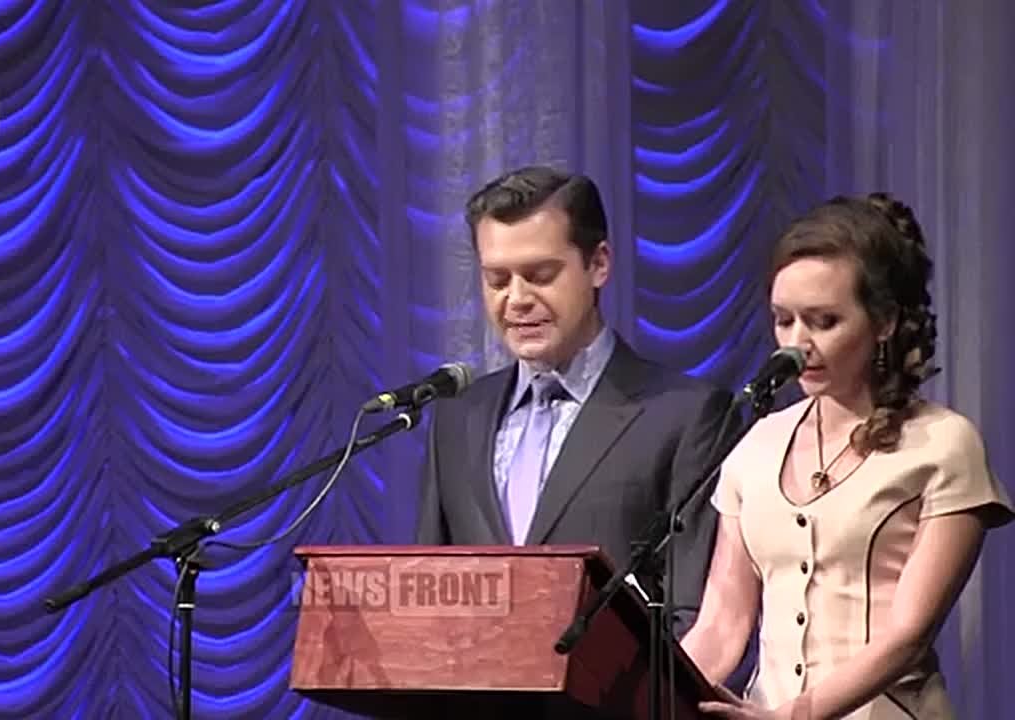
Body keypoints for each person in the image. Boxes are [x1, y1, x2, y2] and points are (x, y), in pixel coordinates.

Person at [680, 192, 1015, 719]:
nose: (796, 343)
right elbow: (722, 624)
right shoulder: (757, 445)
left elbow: (908, 634)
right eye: (784, 320)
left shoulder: (942, 444)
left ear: (883, 322)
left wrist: (796, 715)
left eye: (824, 321)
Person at [415, 165, 737, 642]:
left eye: (540, 275)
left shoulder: (687, 416)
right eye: (497, 279)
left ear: (598, 264)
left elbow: (692, 617)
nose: (516, 299)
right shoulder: (457, 418)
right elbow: (430, 601)